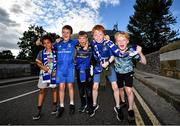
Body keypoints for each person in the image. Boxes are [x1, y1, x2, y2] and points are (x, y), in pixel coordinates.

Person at [89, 25, 123, 121]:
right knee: (95, 87)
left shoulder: (108, 43)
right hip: (98, 66)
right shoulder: (92, 44)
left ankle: (117, 107)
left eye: (100, 34)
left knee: (115, 86)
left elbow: (113, 56)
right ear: (93, 36)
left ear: (104, 35)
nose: (98, 36)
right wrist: (59, 40)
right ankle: (94, 105)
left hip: (108, 65)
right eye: (96, 35)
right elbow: (81, 43)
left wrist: (108, 62)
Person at [114, 32, 146, 122]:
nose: (121, 42)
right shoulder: (114, 50)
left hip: (128, 72)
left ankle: (130, 109)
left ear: (127, 41)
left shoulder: (132, 52)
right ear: (116, 43)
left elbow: (144, 62)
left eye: (123, 40)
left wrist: (140, 53)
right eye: (119, 40)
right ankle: (123, 102)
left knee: (129, 90)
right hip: (118, 73)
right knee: (120, 89)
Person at [54, 25, 78, 117]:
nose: (65, 34)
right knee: (61, 87)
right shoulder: (58, 43)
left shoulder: (73, 42)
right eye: (63, 32)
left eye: (67, 32)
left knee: (70, 86)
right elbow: (47, 45)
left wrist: (105, 38)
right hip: (60, 69)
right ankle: (61, 106)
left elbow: (85, 41)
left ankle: (72, 104)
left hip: (70, 68)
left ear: (71, 34)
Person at [32, 34, 57, 120]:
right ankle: (39, 110)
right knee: (42, 91)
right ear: (43, 44)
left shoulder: (55, 51)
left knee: (53, 89)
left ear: (51, 43)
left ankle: (54, 105)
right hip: (44, 74)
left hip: (54, 74)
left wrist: (55, 71)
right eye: (45, 43)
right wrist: (44, 68)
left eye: (48, 42)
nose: (47, 44)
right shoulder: (41, 52)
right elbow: (38, 62)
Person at [75, 31, 93, 113]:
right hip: (78, 71)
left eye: (84, 38)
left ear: (87, 39)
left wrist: (106, 37)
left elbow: (99, 42)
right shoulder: (75, 46)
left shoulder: (91, 46)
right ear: (78, 39)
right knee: (81, 89)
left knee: (88, 89)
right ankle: (83, 104)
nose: (82, 40)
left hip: (87, 71)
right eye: (80, 38)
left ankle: (90, 105)